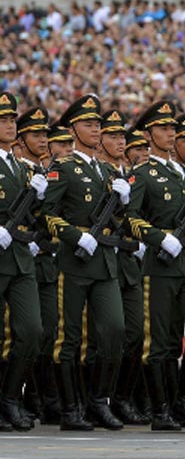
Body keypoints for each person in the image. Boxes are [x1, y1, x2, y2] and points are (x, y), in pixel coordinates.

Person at [124, 102, 185, 431]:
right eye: (163, 129)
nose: (170, 133)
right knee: (163, 341)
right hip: (161, 264)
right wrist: (156, 238)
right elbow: (130, 218)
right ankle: (163, 409)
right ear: (148, 135)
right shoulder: (143, 174)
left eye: (172, 129)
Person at [41, 95, 128, 431]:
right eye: (89, 125)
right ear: (73, 129)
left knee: (114, 331)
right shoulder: (63, 169)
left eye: (98, 125)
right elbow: (46, 215)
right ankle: (70, 409)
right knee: (70, 338)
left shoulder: (106, 171)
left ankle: (97, 399)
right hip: (74, 261)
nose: (95, 130)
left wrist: (121, 202)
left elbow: (117, 219)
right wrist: (75, 237)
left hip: (104, 260)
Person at [96, 108, 149, 426]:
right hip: (101, 261)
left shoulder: (127, 177)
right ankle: (98, 398)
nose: (120, 142)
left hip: (128, 262)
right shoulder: (97, 173)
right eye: (113, 137)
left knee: (134, 335)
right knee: (105, 335)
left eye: (122, 137)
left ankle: (122, 397)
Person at [15, 106, 61, 426]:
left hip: (46, 262)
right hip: (20, 259)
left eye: (45, 133)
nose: (43, 139)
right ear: (21, 140)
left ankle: (38, 395)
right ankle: (26, 398)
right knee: (22, 332)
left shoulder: (48, 174)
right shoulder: (20, 170)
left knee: (47, 332)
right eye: (36, 134)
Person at [0, 93, 44, 431]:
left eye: (12, 120)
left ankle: (10, 398)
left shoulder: (19, 166)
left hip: (19, 258)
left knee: (31, 330)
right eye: (4, 120)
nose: (10, 125)